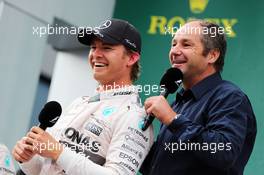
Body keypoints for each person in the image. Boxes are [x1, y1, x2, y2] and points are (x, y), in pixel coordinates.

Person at [12, 19, 154, 175]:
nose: (96, 54)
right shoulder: (80, 103)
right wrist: (28, 159)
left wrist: (58, 151)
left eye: (106, 48)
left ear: (132, 58)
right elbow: (45, 169)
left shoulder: (133, 116)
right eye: (93, 47)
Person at [140, 20, 257, 175]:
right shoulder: (177, 104)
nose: (175, 51)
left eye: (186, 44)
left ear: (212, 55)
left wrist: (173, 119)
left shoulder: (230, 97)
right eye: (173, 44)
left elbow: (223, 153)